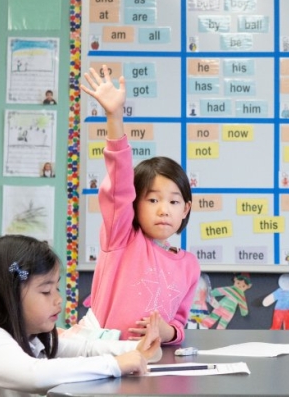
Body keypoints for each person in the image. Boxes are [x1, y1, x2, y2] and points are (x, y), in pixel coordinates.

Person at [0, 235, 162, 397]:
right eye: (46, 291)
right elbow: (34, 375)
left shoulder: (31, 338)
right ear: (6, 296)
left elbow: (84, 348)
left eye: (57, 289)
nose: (58, 300)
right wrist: (115, 365)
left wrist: (136, 349)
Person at [80, 65, 200, 344]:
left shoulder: (190, 266)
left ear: (186, 209)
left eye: (173, 201)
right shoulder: (121, 238)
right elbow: (119, 184)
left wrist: (166, 331)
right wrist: (114, 117)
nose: (163, 209)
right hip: (105, 360)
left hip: (153, 363)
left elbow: (179, 325)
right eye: (153, 199)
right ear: (134, 204)